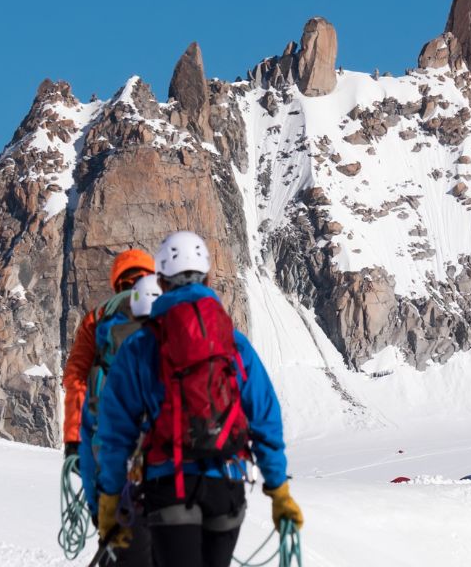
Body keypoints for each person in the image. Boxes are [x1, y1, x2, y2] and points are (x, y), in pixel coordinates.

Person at [95, 232, 303, 567]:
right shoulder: (233, 343)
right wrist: (278, 490)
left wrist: (109, 498)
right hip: (228, 483)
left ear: (160, 281)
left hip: (169, 484)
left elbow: (115, 431)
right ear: (208, 277)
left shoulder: (140, 346)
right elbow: (265, 416)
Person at [80, 272, 162, 566]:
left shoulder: (107, 357)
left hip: (117, 490)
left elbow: (92, 437)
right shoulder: (178, 354)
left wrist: (98, 506)